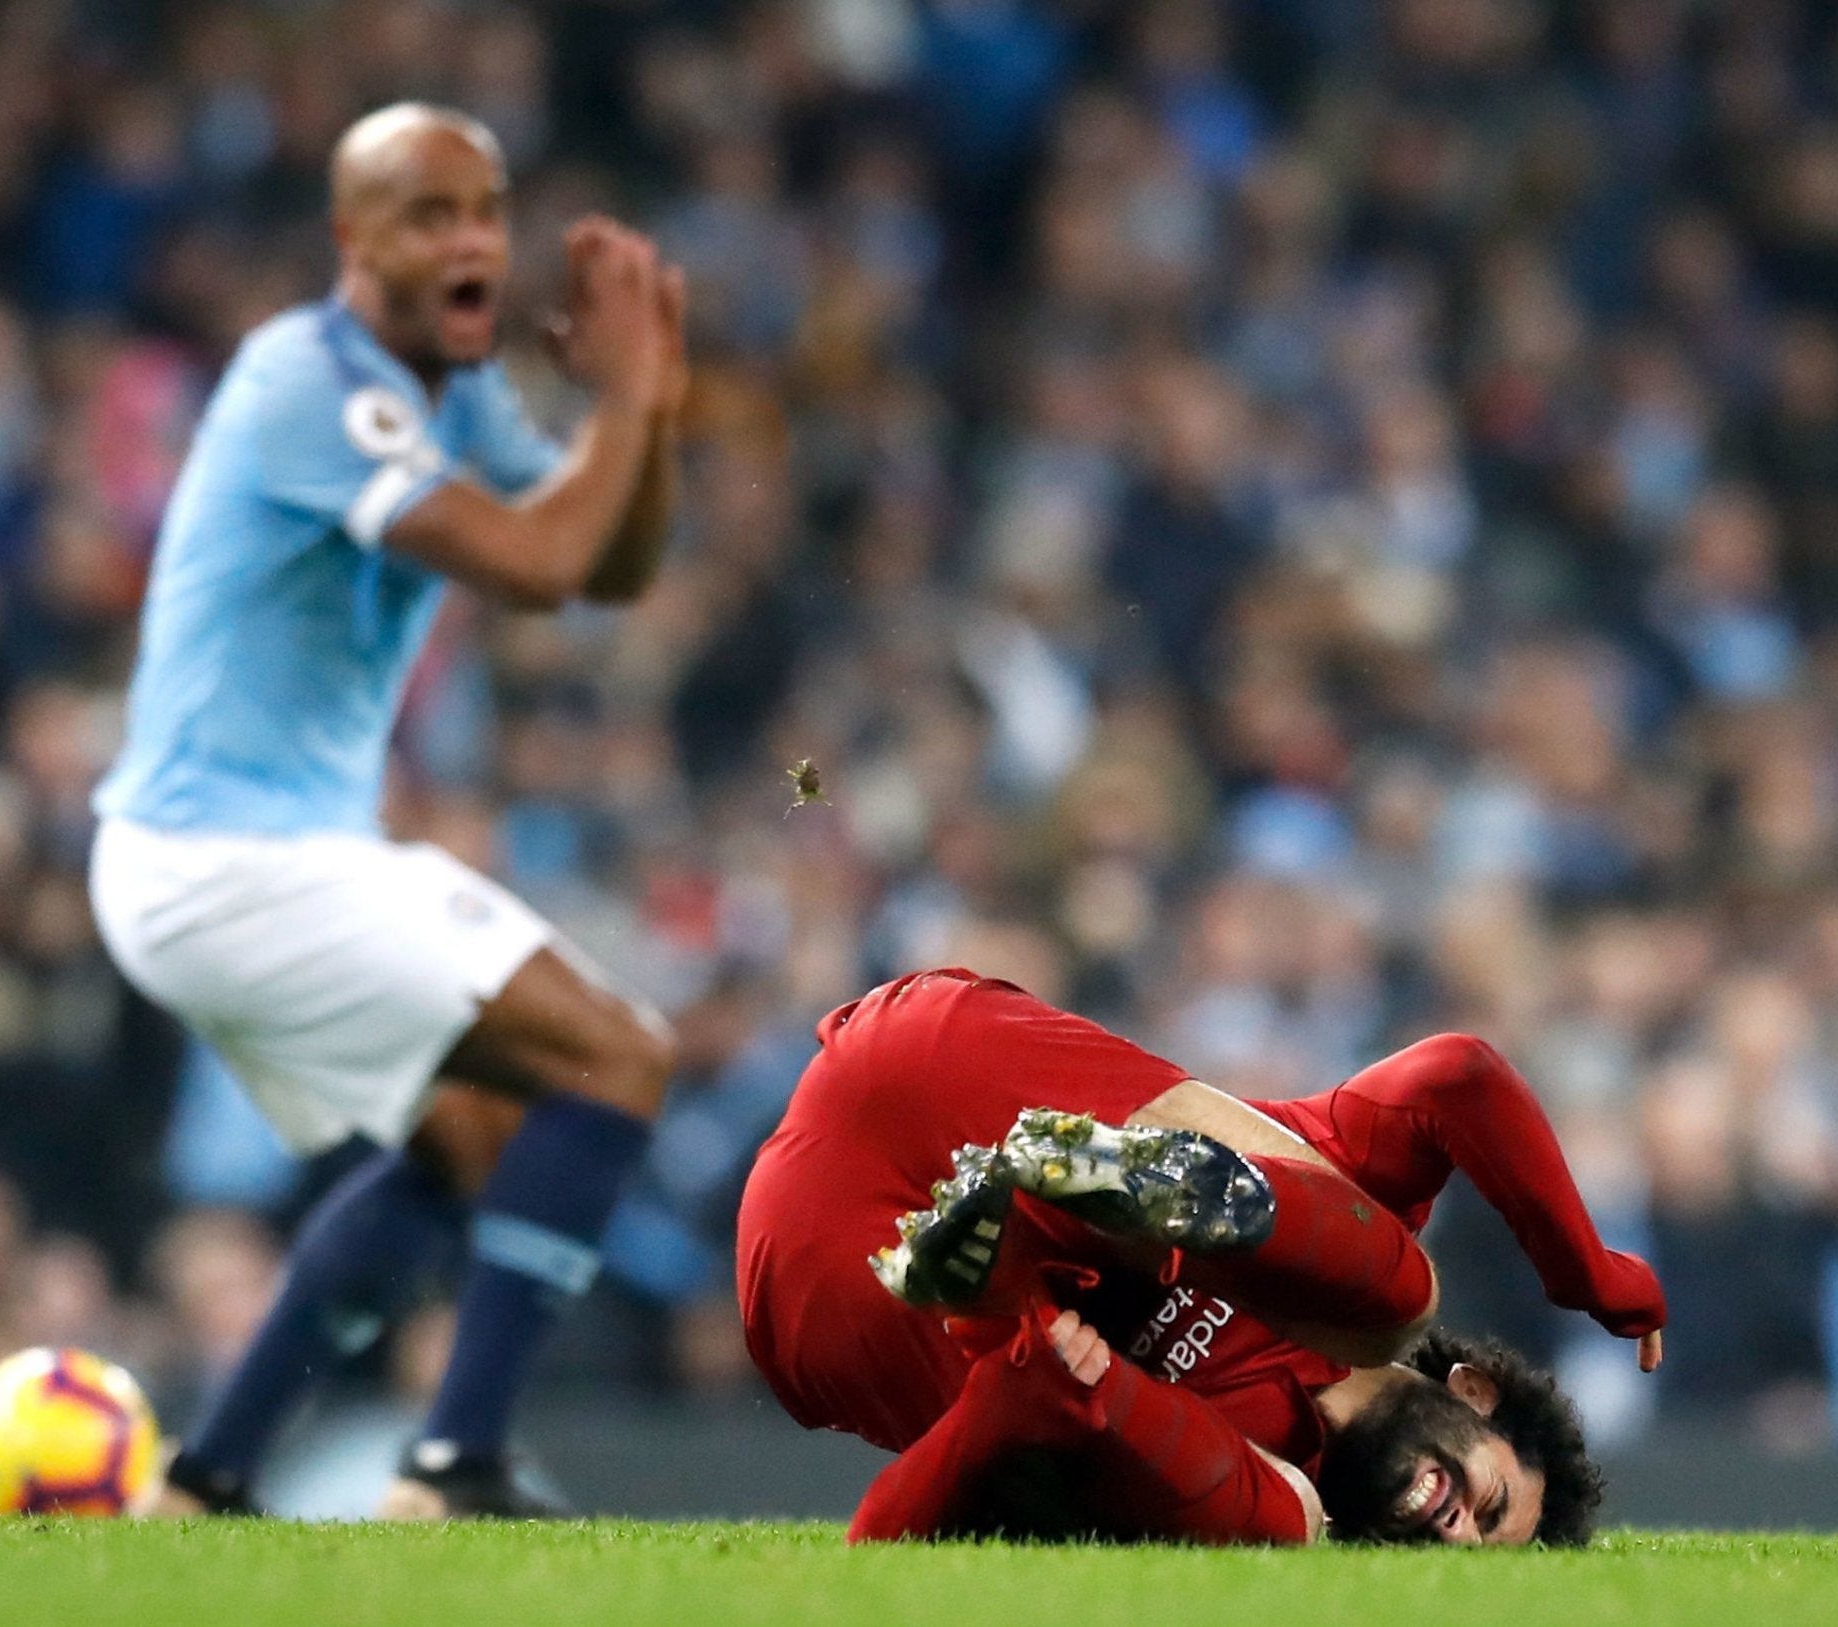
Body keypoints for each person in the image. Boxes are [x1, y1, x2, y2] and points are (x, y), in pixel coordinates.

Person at [89, 102, 686, 1519]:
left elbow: (608, 567)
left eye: (485, 208)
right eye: (430, 213)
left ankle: (208, 1479)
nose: (473, 238)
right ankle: (453, 1458)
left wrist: (646, 407)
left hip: (255, 859)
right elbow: (539, 565)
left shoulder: (450, 390)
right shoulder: (310, 378)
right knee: (615, 1054)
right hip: (221, 858)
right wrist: (627, 394)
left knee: (470, 1139)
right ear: (352, 238)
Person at [736, 968, 1667, 1545]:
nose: (1452, 1535)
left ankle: (1015, 1299)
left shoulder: (1271, 1488)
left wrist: (1015, 1373)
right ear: (1473, 1392)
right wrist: (1588, 1271)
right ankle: (1122, 1185)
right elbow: (1453, 1078)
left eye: (1464, 1557)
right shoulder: (1363, 1256)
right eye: (1490, 1504)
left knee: (1284, 1519)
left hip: (837, 1286)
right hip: (953, 1070)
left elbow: (880, 1532)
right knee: (1399, 1298)